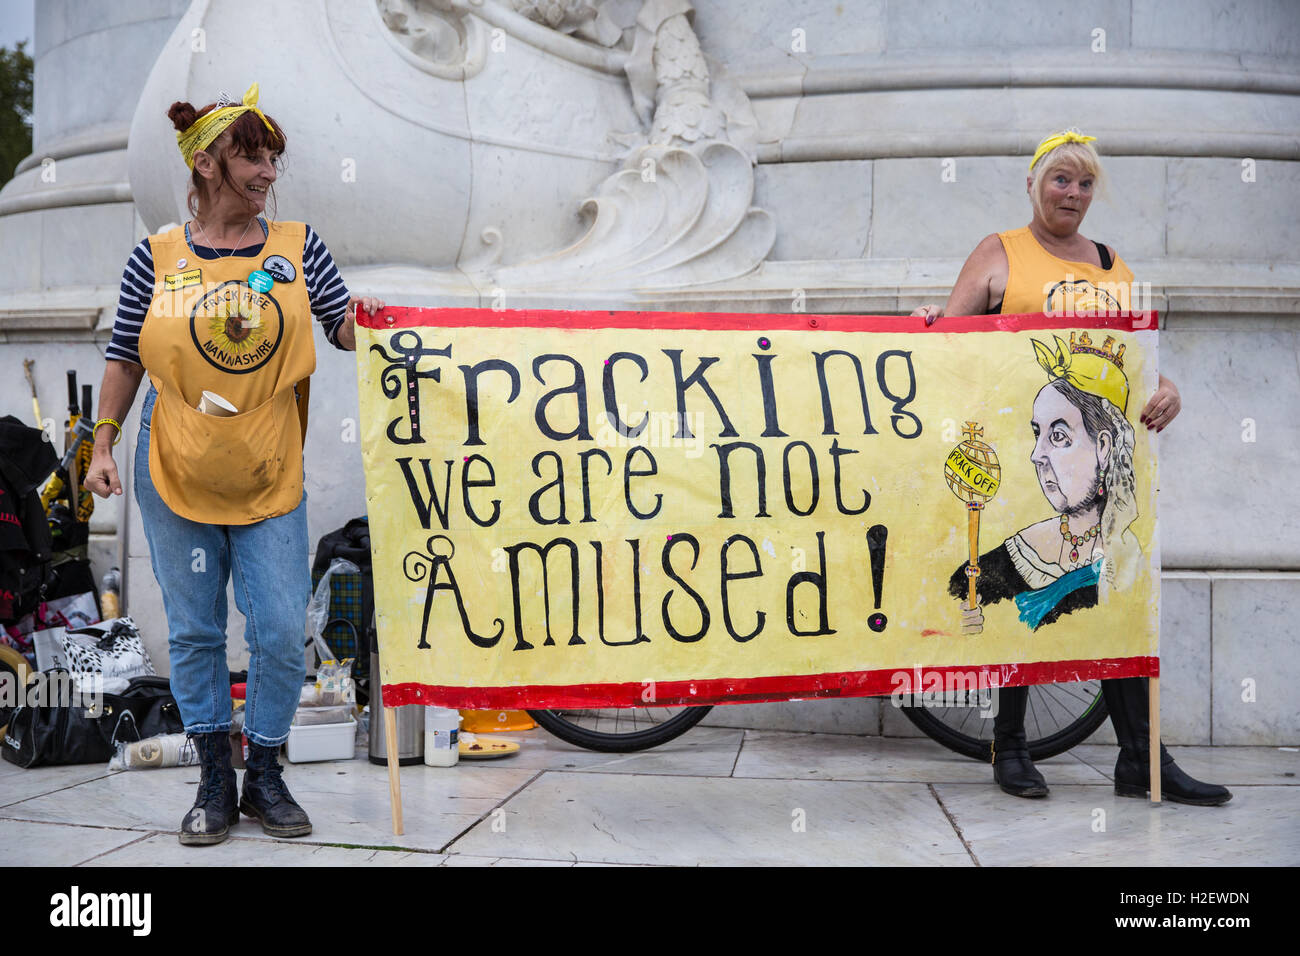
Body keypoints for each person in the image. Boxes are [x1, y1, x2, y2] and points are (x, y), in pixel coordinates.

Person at [84, 84, 384, 845]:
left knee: (281, 628)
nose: (268, 169)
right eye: (254, 154)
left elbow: (341, 326)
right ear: (209, 163)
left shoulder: (298, 246)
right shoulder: (155, 257)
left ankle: (269, 774)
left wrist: (373, 325)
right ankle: (216, 779)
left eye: (274, 155)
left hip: (267, 464)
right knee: (195, 632)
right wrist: (102, 444)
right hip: (173, 466)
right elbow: (123, 357)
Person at [913, 129, 1229, 806]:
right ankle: (1012, 744)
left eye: (1085, 184)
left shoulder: (1113, 266)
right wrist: (924, 323)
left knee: (1116, 596)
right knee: (1033, 586)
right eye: (1061, 180)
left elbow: (1129, 360)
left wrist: (1166, 387)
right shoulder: (1002, 252)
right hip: (1020, 452)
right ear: (1034, 185)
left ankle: (1141, 761)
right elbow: (948, 340)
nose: (1074, 195)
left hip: (1104, 466)